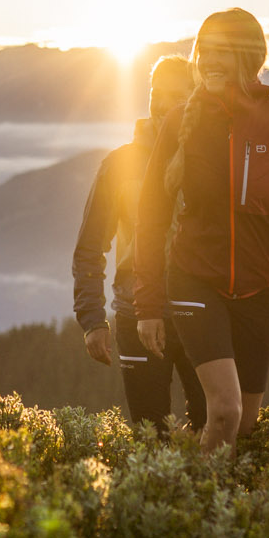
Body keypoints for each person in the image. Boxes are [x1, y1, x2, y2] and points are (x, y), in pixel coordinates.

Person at [135, 9, 269, 452]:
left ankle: (198, 480)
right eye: (204, 51)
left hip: (262, 288)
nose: (209, 61)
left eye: (221, 51)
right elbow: (151, 215)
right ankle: (196, 494)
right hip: (194, 280)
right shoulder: (179, 121)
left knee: (243, 424)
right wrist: (148, 303)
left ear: (250, 56)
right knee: (225, 410)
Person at [73, 55, 208, 434]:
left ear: (196, 100)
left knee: (214, 428)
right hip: (136, 314)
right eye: (156, 94)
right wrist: (92, 320)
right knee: (150, 436)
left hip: (204, 313)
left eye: (177, 96)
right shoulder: (118, 165)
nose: (163, 104)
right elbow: (89, 247)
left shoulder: (211, 161)